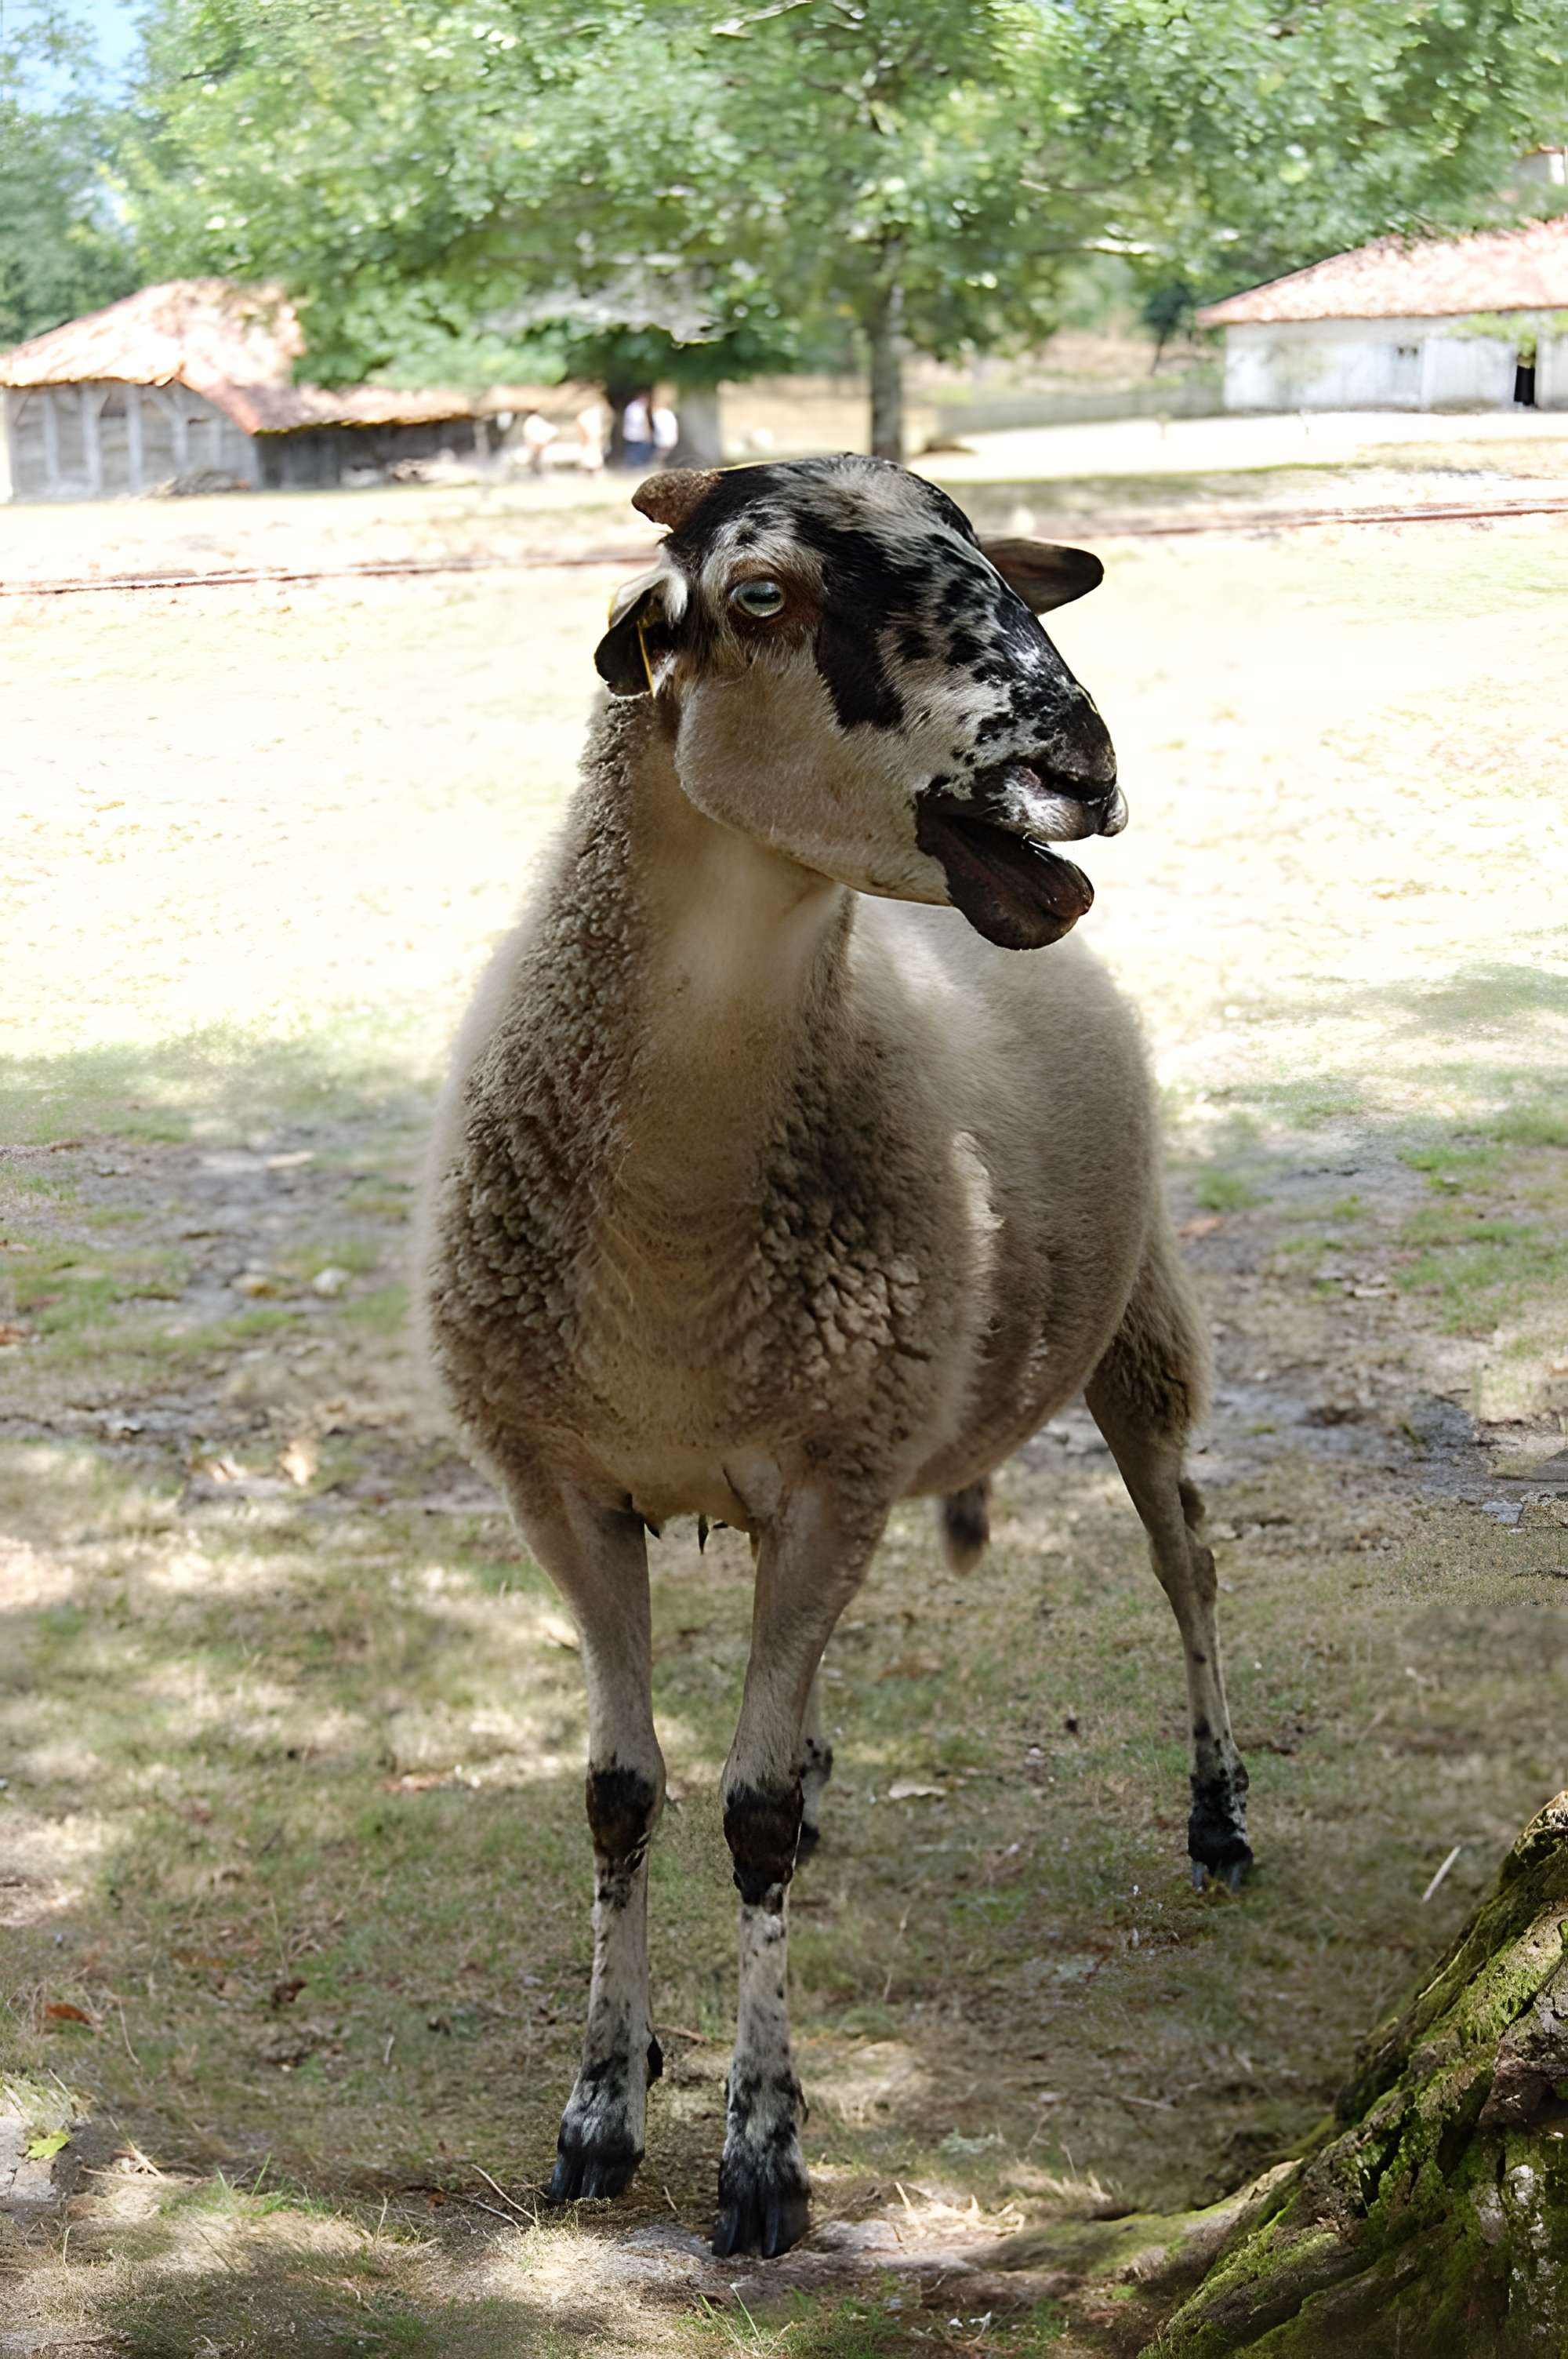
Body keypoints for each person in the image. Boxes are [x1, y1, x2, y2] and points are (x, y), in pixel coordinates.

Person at [620, 391, 654, 471]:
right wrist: (647, 433)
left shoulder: (631, 407)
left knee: (632, 450)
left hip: (630, 433)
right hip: (638, 434)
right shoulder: (639, 408)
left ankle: (630, 465)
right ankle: (635, 466)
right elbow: (641, 422)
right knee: (638, 451)